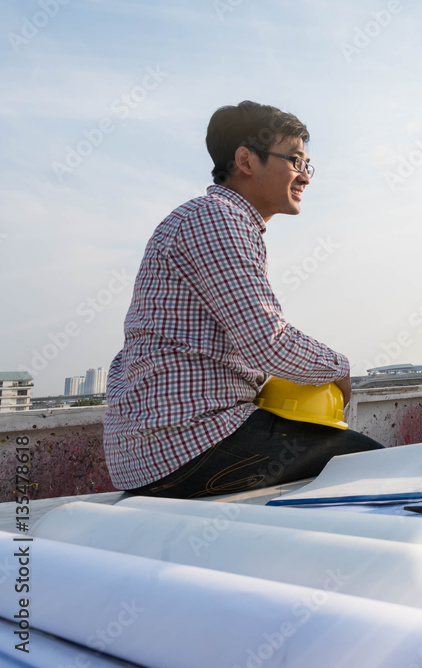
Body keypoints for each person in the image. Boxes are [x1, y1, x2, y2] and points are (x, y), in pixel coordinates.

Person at [103, 101, 384, 499]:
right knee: (378, 469)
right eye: (295, 160)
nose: (305, 175)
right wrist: (338, 367)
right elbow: (267, 342)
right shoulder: (217, 219)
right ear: (245, 160)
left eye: (308, 164)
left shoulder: (208, 219)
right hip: (189, 442)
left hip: (160, 447)